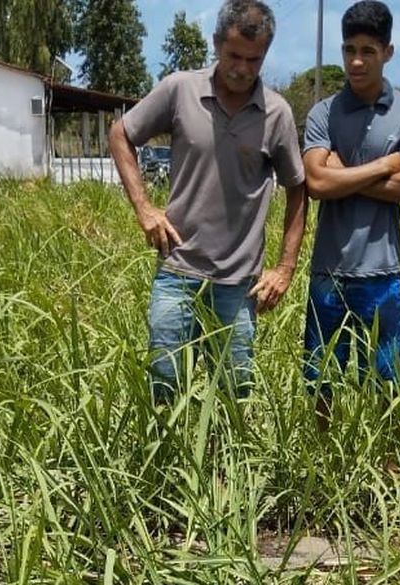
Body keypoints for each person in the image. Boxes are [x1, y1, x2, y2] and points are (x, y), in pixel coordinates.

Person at [109, 0, 306, 404]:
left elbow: (297, 189)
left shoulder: (276, 114)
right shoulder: (180, 90)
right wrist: (145, 209)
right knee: (165, 390)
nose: (242, 68)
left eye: (254, 59)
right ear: (216, 44)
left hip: (238, 284)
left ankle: (220, 452)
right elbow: (120, 134)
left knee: (233, 398)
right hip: (177, 272)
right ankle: (167, 447)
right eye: (234, 55)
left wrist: (285, 269)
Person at [301, 0, 400, 421]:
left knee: (387, 383)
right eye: (349, 49)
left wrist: (343, 172)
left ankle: (385, 458)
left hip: (382, 274)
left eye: (368, 51)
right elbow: (317, 184)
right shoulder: (323, 113)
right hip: (329, 272)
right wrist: (384, 165)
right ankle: (319, 457)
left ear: (388, 52)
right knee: (321, 382)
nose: (356, 61)